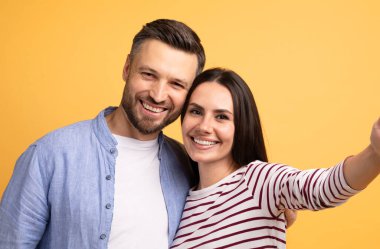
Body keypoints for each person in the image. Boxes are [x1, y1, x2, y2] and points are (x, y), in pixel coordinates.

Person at [0, 19, 296, 248]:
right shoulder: (50, 155)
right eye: (149, 74)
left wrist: (272, 204)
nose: (158, 94)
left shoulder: (188, 163)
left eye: (176, 84)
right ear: (127, 67)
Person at [171, 68, 380, 249]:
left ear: (241, 126)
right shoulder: (179, 203)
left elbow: (324, 187)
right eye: (196, 111)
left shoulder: (257, 181)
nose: (204, 127)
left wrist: (374, 152)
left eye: (222, 117)